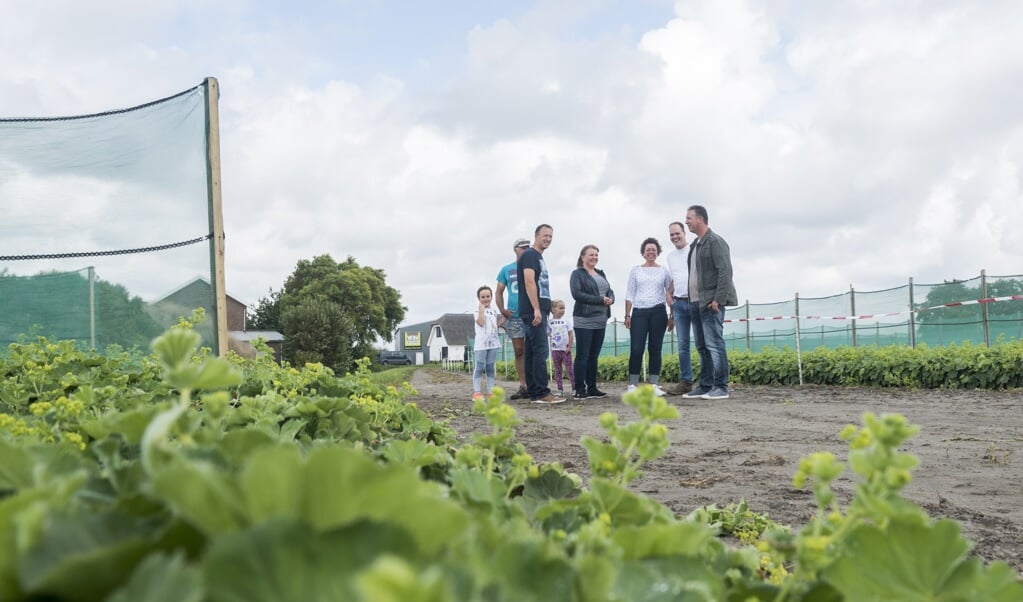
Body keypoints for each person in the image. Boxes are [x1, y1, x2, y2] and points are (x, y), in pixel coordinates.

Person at [682, 205, 737, 400]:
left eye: (689, 218)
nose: (686, 221)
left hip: (710, 303)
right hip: (695, 303)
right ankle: (705, 385)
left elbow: (725, 271)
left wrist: (718, 300)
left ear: (700, 219)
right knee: (702, 345)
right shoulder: (695, 245)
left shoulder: (715, 241)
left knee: (714, 344)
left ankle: (721, 387)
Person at [517, 224, 564, 404]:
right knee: (541, 350)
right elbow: (529, 282)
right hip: (532, 310)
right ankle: (542, 392)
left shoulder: (538, 257)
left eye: (551, 236)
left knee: (532, 351)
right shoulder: (530, 255)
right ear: (536, 236)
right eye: (545, 235)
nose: (548, 239)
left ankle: (533, 390)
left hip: (538, 309)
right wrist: (536, 308)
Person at [624, 237, 674, 396]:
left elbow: (671, 292)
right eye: (648, 250)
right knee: (637, 348)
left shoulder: (664, 270)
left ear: (657, 252)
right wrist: (627, 315)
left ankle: (654, 384)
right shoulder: (636, 270)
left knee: (655, 348)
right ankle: (632, 384)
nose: (651, 252)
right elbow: (630, 293)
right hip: (639, 312)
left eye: (653, 249)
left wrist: (672, 315)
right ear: (643, 252)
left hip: (658, 312)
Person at [569, 244, 613, 400]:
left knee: (594, 355)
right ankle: (579, 389)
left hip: (601, 319)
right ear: (583, 257)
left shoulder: (601, 273)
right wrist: (600, 300)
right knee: (583, 355)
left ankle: (592, 387)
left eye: (596, 254)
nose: (594, 257)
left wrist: (610, 299)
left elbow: (609, 290)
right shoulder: (577, 274)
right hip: (584, 319)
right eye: (591, 255)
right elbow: (577, 294)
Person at [496, 238, 531, 399]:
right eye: (522, 248)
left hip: (531, 313)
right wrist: (502, 310)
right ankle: (523, 385)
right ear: (515, 250)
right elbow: (499, 291)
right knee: (519, 350)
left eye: (527, 248)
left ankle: (535, 384)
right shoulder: (506, 269)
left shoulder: (533, 265)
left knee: (534, 349)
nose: (525, 250)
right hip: (515, 315)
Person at [665, 221, 694, 395]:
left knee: (703, 343)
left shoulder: (695, 250)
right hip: (679, 304)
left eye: (677, 233)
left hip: (696, 302)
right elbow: (677, 278)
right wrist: (668, 293)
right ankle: (686, 382)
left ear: (684, 233)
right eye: (672, 235)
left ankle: (709, 382)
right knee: (683, 345)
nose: (675, 237)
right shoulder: (670, 257)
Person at [472, 285, 505, 401]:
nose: (486, 299)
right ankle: (476, 392)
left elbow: (493, 326)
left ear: (491, 297)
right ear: (479, 298)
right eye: (483, 297)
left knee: (490, 367)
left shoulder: (493, 311)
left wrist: (504, 319)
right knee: (480, 367)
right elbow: (480, 323)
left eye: (488, 296)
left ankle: (491, 392)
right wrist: (481, 310)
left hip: (493, 343)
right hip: (481, 344)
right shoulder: (477, 310)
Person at [547, 299, 574, 397]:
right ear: (553, 310)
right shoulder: (549, 322)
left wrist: (569, 346)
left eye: (564, 308)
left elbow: (571, 334)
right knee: (558, 370)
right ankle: (560, 389)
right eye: (560, 308)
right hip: (555, 350)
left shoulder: (567, 321)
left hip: (565, 350)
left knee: (570, 370)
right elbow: (548, 333)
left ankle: (574, 388)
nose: (563, 310)